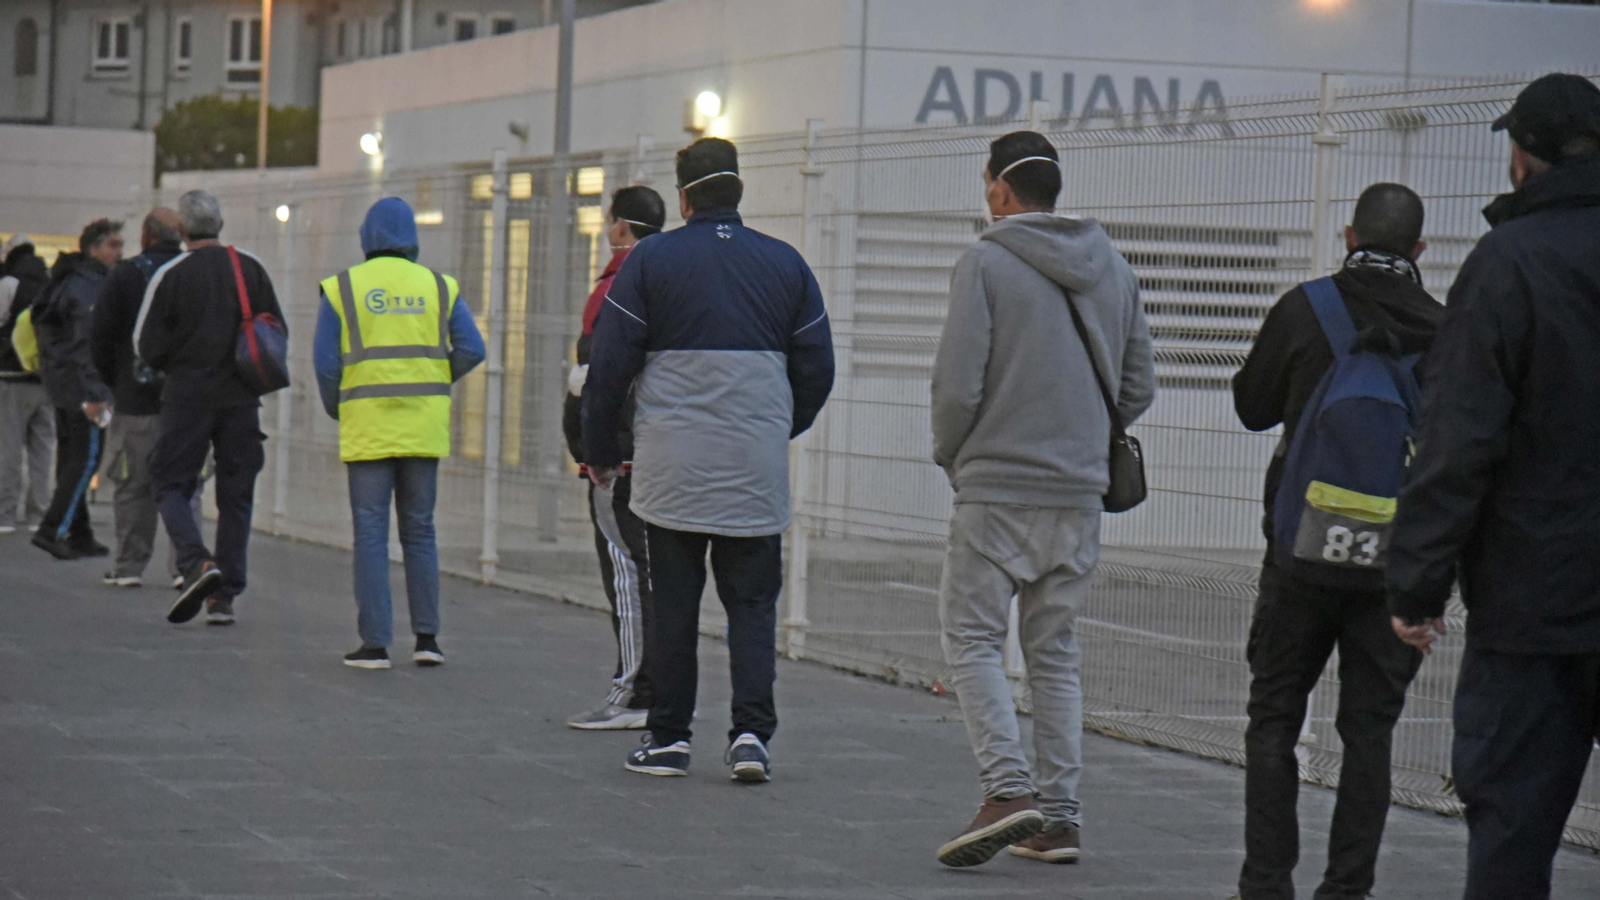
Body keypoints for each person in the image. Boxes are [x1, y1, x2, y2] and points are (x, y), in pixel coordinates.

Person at [1387, 73, 1600, 900]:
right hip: (1540, 595)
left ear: (1526, 155)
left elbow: (1459, 438)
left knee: (1512, 824)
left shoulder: (1508, 263)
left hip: (1533, 603)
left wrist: (1417, 582)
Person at [930, 131, 1155, 868]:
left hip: (996, 483)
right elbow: (1138, 387)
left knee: (971, 637)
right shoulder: (1113, 268)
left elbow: (958, 384)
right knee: (1053, 652)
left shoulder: (986, 261)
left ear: (997, 188)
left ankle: (1007, 788)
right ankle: (1059, 817)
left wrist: (953, 454)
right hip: (1079, 491)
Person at [583, 137, 835, 781]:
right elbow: (817, 369)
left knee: (675, 602)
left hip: (671, 468)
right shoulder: (787, 266)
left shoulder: (650, 263)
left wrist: (603, 451)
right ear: (739, 192)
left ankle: (669, 737)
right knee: (751, 604)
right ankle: (751, 736)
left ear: (685, 196)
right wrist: (777, 426)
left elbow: (607, 367)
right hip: (754, 466)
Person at [1231, 183, 1440, 900]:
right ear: (1419, 250)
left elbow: (1252, 408)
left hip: (1300, 555)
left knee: (1273, 719)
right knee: (1369, 733)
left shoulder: (1306, 307)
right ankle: (1347, 889)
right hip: (1394, 567)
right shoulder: (1446, 330)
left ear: (1349, 236)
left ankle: (1265, 885)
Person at [313, 197, 484, 669]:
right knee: (420, 529)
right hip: (422, 425)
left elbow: (326, 366)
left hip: (367, 425)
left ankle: (375, 645)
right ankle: (427, 640)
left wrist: (339, 408)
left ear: (366, 236)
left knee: (370, 531)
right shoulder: (437, 286)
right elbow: (472, 347)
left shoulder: (342, 287)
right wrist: (433, 380)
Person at [135, 190, 286, 627]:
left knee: (169, 480)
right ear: (219, 225)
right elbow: (276, 327)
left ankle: (197, 563)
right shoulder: (250, 268)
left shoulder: (172, 274)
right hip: (241, 397)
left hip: (188, 397)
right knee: (237, 493)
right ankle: (225, 597)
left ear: (181, 230)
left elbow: (146, 346)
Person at [563, 185, 667, 729]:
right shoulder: (672, 274)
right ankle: (660, 688)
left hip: (619, 456)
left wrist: (592, 450)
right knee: (656, 571)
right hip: (661, 446)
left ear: (620, 226)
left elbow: (599, 376)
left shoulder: (615, 284)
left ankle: (634, 692)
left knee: (626, 570)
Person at [90, 209, 188, 588]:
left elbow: (100, 336)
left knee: (132, 484)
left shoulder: (125, 274)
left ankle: (130, 564)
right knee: (184, 483)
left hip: (134, 399)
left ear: (146, 236)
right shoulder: (193, 270)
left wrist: (113, 381)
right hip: (184, 400)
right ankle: (186, 565)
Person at [31, 219, 121, 560]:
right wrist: (96, 392)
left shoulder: (66, 278)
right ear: (93, 248)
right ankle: (53, 528)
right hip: (83, 387)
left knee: (71, 455)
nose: (118, 252)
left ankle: (80, 531)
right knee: (86, 458)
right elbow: (86, 343)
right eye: (112, 245)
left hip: (62, 383)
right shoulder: (90, 286)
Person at [0, 234, 56, 534]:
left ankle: (5, 514)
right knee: (42, 450)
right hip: (45, 379)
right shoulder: (49, 282)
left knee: (9, 449)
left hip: (11, 378)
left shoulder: (9, 284)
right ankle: (38, 514)